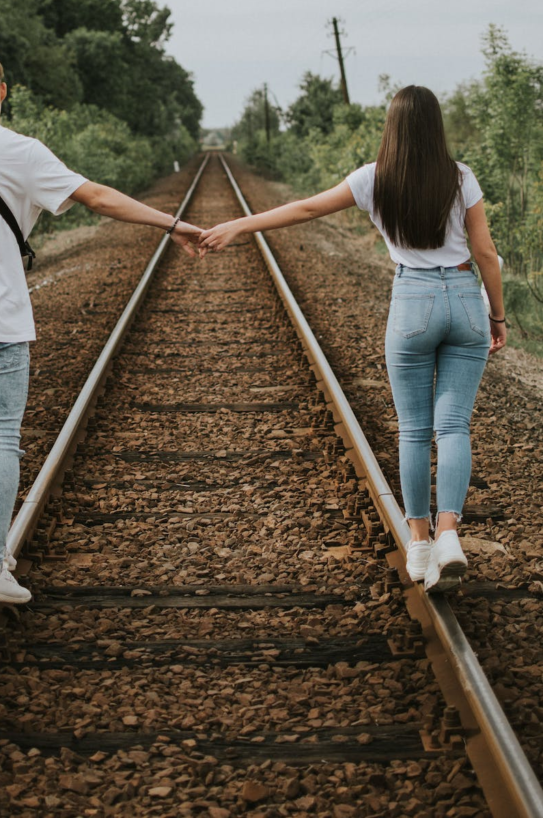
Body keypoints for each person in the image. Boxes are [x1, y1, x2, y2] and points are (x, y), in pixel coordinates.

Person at [0, 49, 202, 605]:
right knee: (2, 438)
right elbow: (97, 198)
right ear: (3, 90)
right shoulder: (22, 152)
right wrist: (171, 223)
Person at [199, 85, 506, 593]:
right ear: (436, 127)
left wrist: (239, 225)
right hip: (464, 298)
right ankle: (451, 534)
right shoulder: (460, 177)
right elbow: (487, 253)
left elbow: (303, 210)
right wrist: (496, 315)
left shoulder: (372, 178)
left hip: (413, 302)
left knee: (413, 429)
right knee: (453, 426)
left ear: (392, 127)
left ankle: (421, 542)